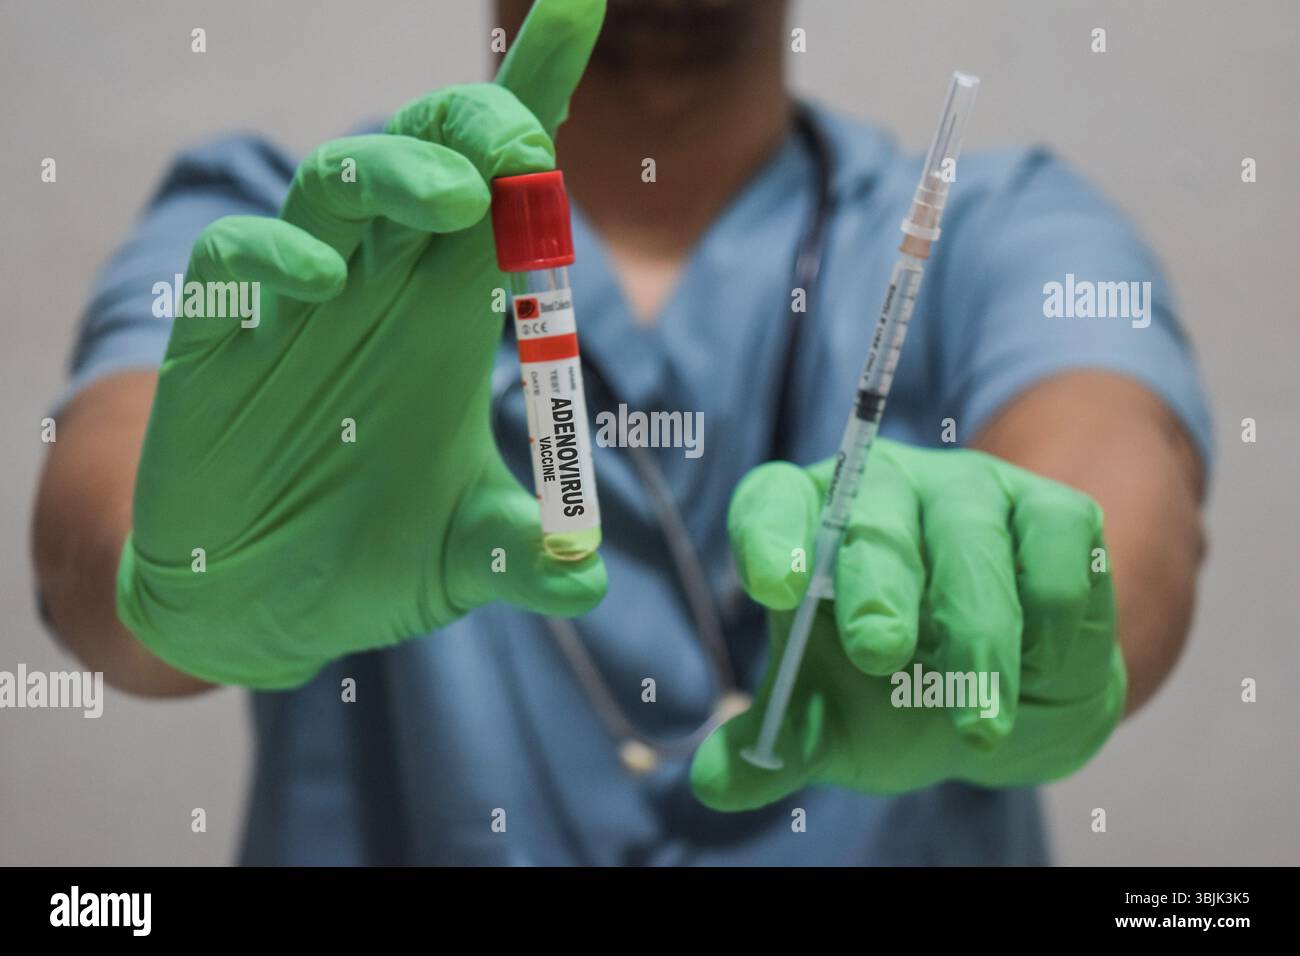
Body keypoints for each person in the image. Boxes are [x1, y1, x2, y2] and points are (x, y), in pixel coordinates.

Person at [32, 0, 1209, 865]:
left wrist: (1032, 594)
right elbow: (93, 526)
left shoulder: (1000, 224)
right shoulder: (307, 236)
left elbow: (1124, 497)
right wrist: (177, 578)